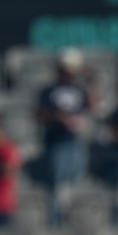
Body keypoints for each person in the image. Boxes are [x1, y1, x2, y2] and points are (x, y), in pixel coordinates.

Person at [36, 49, 95, 225]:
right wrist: (61, 118)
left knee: (76, 185)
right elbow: (40, 115)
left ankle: (74, 222)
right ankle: (57, 222)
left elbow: (92, 106)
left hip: (75, 143)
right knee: (58, 187)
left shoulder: (79, 89)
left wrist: (91, 80)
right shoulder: (48, 91)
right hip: (56, 143)